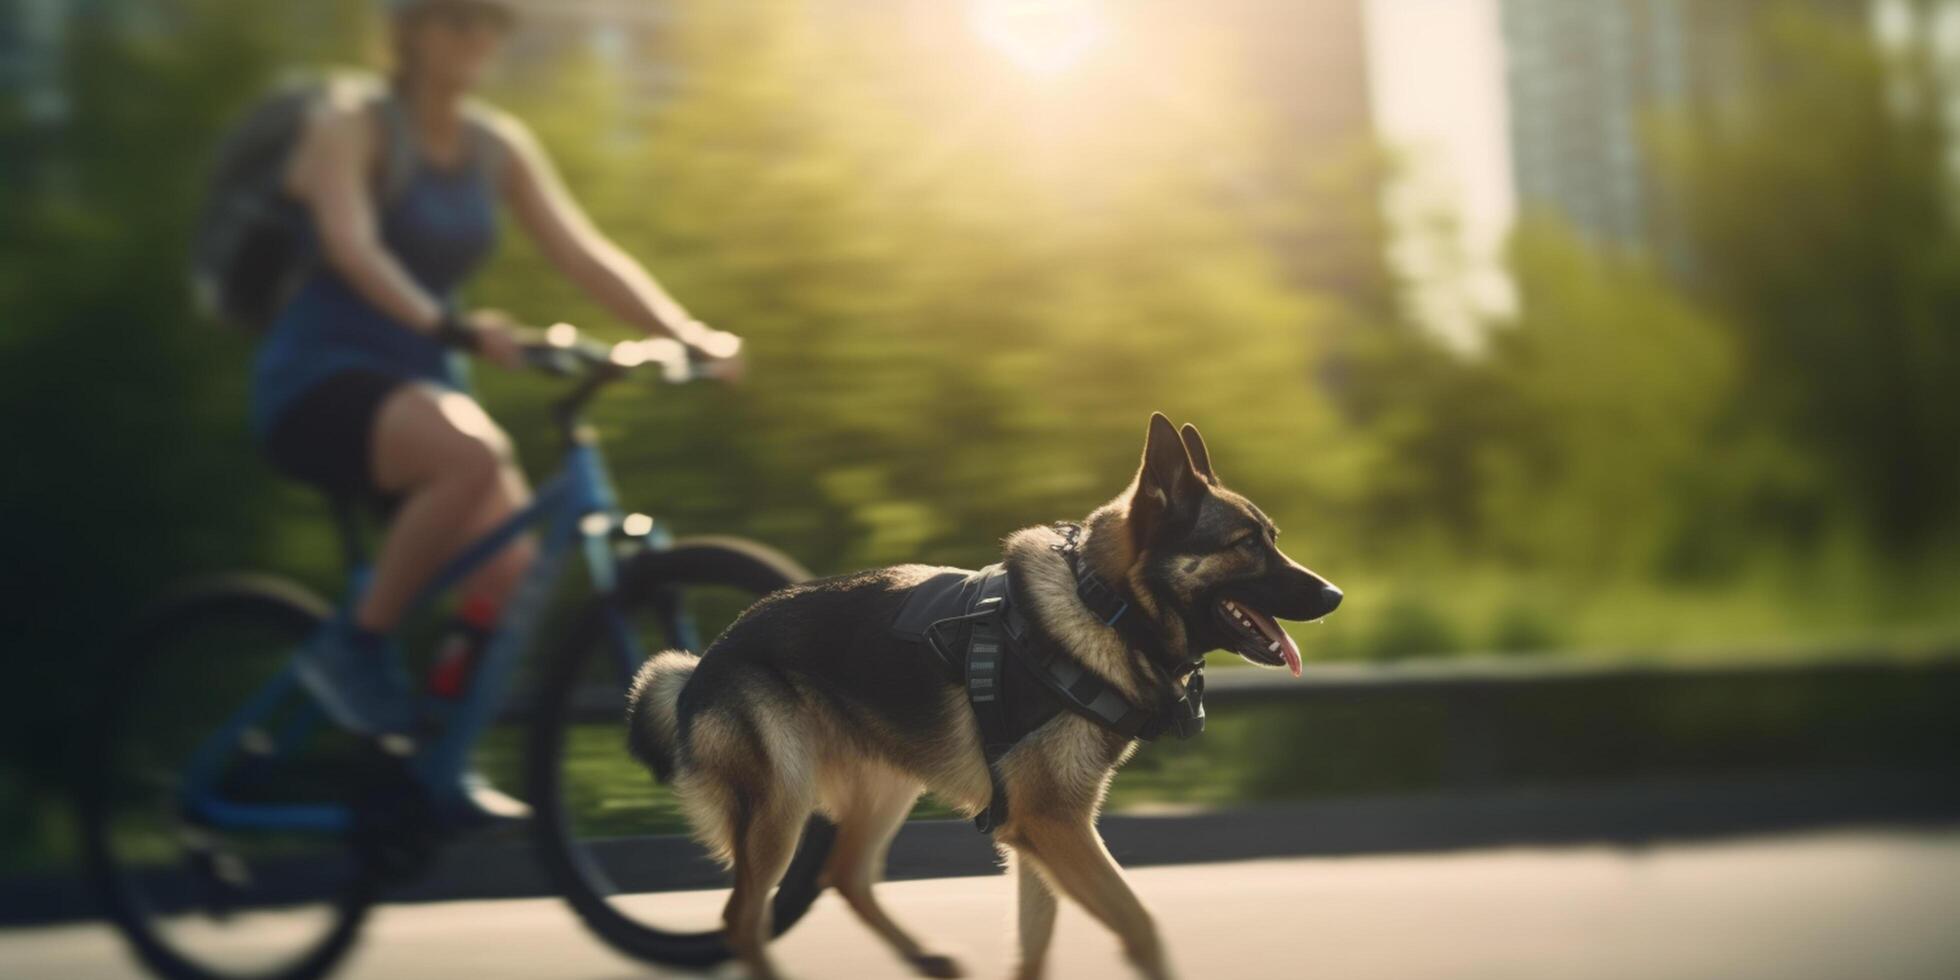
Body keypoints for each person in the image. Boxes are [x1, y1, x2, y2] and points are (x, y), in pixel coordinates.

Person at [252, 0, 740, 822]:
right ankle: (353, 649)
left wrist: (686, 333)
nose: (481, 38)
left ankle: (432, 756)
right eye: (460, 20)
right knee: (471, 455)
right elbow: (352, 246)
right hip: (320, 382)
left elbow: (583, 252)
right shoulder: (354, 124)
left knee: (511, 571)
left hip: (424, 392)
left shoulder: (495, 144)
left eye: (494, 24)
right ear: (410, 29)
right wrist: (449, 325)